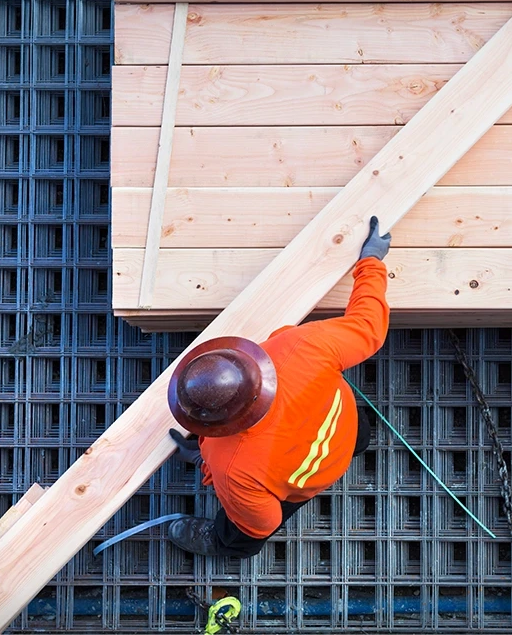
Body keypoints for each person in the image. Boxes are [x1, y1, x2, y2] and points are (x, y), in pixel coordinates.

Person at [164, 217, 391, 557]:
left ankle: (221, 542)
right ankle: (358, 443)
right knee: (358, 431)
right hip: (345, 434)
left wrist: (208, 463)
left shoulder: (232, 466)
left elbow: (264, 521)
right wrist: (371, 262)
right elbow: (368, 324)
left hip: (306, 481)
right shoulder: (301, 346)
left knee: (244, 531)